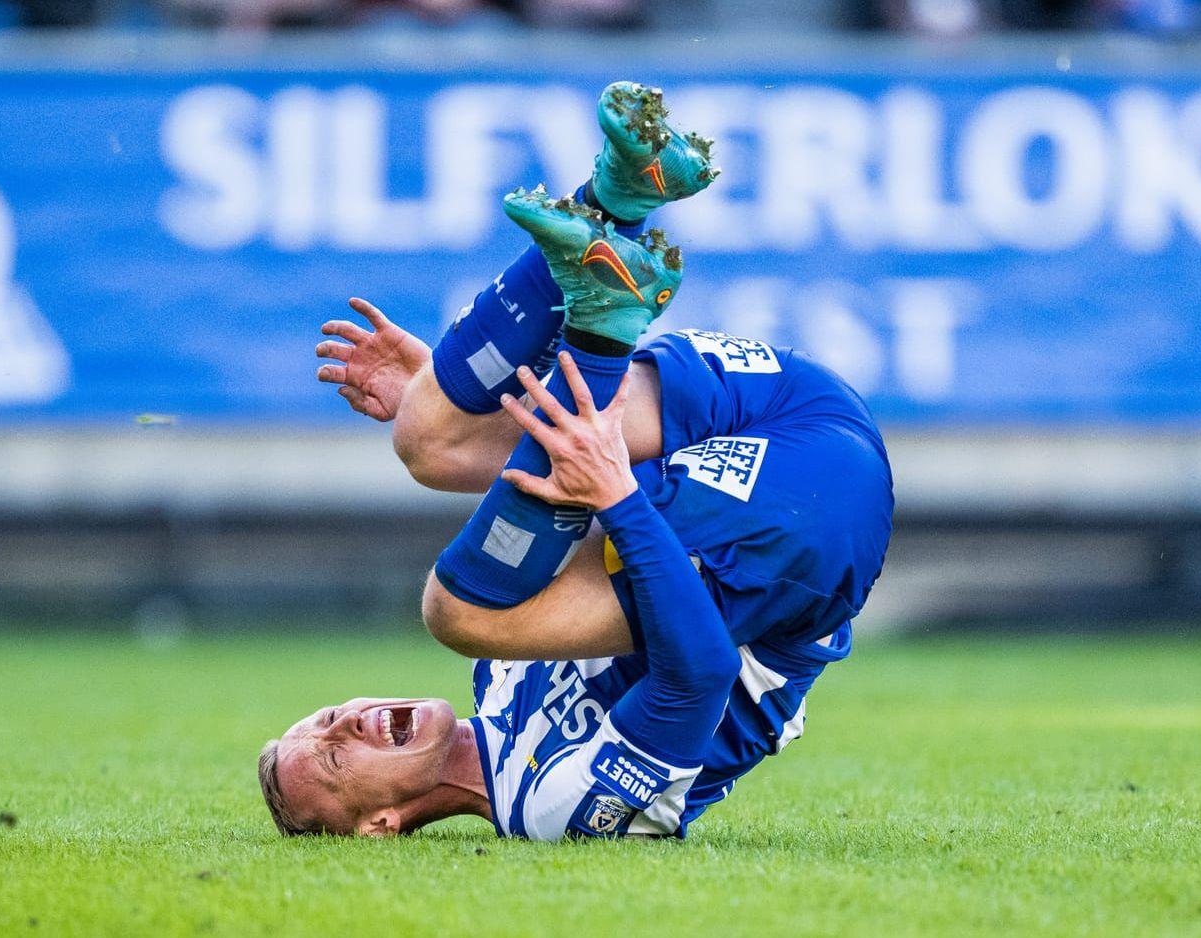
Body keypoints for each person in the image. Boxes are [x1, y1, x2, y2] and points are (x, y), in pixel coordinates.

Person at [259, 82, 892, 838]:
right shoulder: (551, 808)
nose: (349, 724)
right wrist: (620, 500)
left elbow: (548, 499)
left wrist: (447, 401)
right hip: (805, 530)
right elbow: (699, 677)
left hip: (788, 412)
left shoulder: (497, 677)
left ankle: (616, 198)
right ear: (381, 823)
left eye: (330, 716)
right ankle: (602, 300)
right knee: (455, 609)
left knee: (428, 441)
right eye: (335, 759)